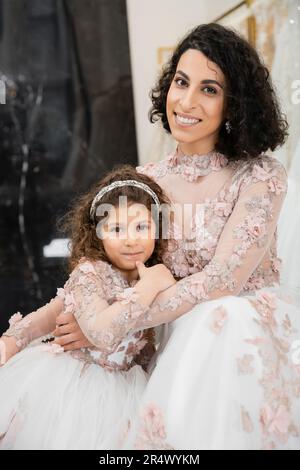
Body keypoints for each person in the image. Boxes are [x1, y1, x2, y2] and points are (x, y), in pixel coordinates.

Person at [53, 23, 300, 450]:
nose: (186, 102)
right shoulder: (148, 182)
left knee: (225, 316)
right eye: (181, 82)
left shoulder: (259, 175)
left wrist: (109, 324)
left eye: (209, 89)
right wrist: (28, 332)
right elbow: (100, 267)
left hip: (237, 342)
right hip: (163, 337)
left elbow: (224, 281)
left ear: (235, 104)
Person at [0, 165, 176, 450]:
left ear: (158, 228)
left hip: (125, 391)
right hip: (73, 386)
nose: (131, 239)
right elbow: (53, 316)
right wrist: (11, 340)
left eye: (142, 227)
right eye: (116, 229)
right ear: (98, 233)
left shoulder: (155, 272)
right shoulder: (91, 273)